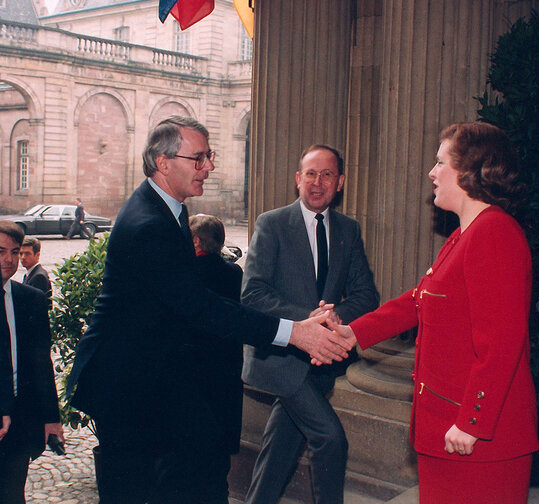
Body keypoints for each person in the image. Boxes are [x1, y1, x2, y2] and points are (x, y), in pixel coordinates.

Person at [65, 116, 352, 504]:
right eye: (199, 158)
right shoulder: (148, 223)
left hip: (155, 376)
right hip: (126, 384)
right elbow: (200, 307)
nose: (210, 167)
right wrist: (295, 332)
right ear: (164, 162)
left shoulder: (168, 207)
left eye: (209, 156)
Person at [329, 123, 539, 503]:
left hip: (477, 439)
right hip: (448, 429)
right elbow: (420, 299)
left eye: (441, 162)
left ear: (470, 171)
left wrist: (472, 422)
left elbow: (502, 344)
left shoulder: (495, 233)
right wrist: (355, 333)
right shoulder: (464, 234)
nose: (432, 172)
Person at [242, 144, 380, 504]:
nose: (317, 183)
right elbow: (252, 294)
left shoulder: (348, 230)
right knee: (330, 439)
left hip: (321, 365)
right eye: (311, 174)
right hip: (281, 359)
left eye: (327, 175)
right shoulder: (271, 224)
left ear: (340, 183)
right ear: (297, 180)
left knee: (279, 452)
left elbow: (367, 296)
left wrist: (336, 317)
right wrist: (310, 319)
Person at [0, 221, 64, 504]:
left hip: (19, 419)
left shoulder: (30, 299)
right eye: (0, 251)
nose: (8, 260)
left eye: (15, 252)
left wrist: (51, 418)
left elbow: (41, 363)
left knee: (13, 495)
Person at [188, 213, 243, 496]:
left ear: (196, 241)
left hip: (194, 380)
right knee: (218, 467)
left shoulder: (187, 275)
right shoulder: (233, 273)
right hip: (226, 377)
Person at [19, 237, 52, 307]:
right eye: (20, 253)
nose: (23, 257)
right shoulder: (31, 273)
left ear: (37, 255)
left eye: (27, 254)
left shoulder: (39, 277)